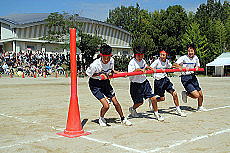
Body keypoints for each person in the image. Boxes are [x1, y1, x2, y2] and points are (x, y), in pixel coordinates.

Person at [86, 44, 132, 127]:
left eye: (108, 57)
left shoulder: (112, 61)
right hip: (95, 84)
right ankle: (101, 118)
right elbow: (88, 74)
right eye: (105, 58)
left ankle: (123, 118)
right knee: (106, 105)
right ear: (101, 55)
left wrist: (121, 74)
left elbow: (111, 71)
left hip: (106, 82)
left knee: (116, 102)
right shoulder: (95, 65)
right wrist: (100, 75)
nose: (107, 60)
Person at [128, 45, 164, 121]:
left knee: (153, 98)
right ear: (135, 55)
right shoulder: (132, 63)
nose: (140, 57)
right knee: (140, 102)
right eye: (139, 55)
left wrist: (150, 68)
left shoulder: (143, 61)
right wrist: (138, 70)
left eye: (142, 55)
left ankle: (156, 113)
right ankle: (132, 109)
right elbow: (130, 73)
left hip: (144, 83)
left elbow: (145, 65)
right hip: (135, 85)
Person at [149, 50, 186, 117]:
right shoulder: (157, 61)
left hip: (165, 80)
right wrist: (153, 70)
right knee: (162, 98)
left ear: (166, 56)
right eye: (161, 55)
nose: (162, 56)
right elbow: (150, 67)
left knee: (174, 93)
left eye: (164, 55)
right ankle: (152, 101)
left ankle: (178, 110)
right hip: (158, 81)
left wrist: (178, 67)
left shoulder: (167, 61)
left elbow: (170, 66)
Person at [173, 43, 207, 111]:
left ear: (194, 51)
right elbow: (174, 64)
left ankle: (200, 107)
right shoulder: (183, 57)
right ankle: (186, 93)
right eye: (189, 51)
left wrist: (197, 67)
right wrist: (181, 67)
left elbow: (197, 65)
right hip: (185, 77)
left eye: (191, 51)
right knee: (196, 95)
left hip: (193, 77)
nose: (190, 52)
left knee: (200, 94)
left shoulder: (196, 58)